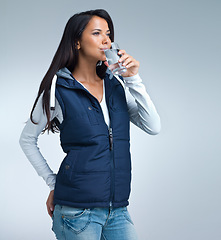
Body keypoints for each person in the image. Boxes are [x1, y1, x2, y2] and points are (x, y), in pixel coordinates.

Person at [19, 9, 161, 240]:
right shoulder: (58, 89)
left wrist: (133, 78)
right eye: (97, 33)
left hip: (118, 210)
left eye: (108, 33)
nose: (106, 40)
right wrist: (54, 183)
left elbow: (153, 126)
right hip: (76, 212)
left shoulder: (115, 86)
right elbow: (27, 140)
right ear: (77, 42)